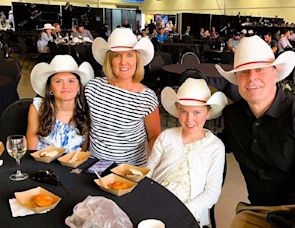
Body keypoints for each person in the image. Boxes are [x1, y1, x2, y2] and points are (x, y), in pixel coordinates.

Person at [215, 35, 295, 227]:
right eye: (244, 72)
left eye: (259, 69)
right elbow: (213, 145)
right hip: (259, 212)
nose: (252, 78)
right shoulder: (233, 117)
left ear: (275, 73)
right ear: (236, 79)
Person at [146, 78, 227, 226]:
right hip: (156, 201)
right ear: (177, 110)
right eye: (183, 111)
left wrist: (182, 209)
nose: (190, 120)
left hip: (190, 211)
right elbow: (148, 172)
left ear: (208, 112)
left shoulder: (215, 147)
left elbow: (211, 193)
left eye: (197, 112)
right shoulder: (166, 136)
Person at [87, 28, 160, 165]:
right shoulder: (92, 87)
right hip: (95, 169)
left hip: (129, 171)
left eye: (129, 55)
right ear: (109, 60)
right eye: (117, 55)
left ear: (137, 59)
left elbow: (154, 137)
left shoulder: (147, 97)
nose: (123, 62)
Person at [27, 55, 94, 152]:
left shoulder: (87, 108)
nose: (65, 86)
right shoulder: (37, 108)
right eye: (58, 81)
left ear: (79, 87)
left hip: (74, 164)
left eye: (71, 81)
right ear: (50, 88)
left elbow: (84, 150)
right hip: (42, 164)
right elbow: (31, 149)